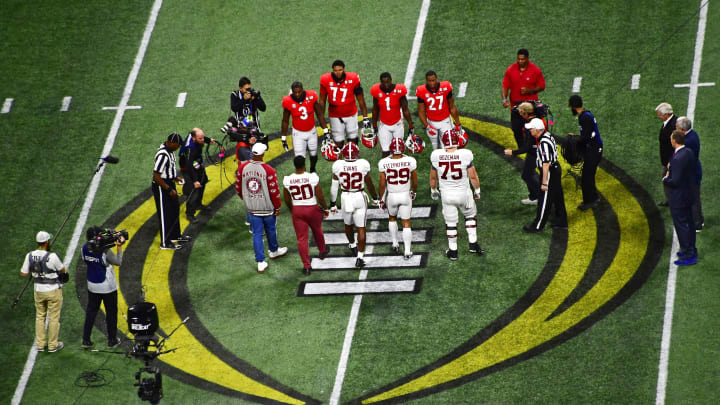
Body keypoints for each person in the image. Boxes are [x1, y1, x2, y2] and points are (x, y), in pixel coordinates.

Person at [429, 129, 483, 260]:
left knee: (451, 223)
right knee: (470, 217)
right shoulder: (465, 154)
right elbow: (473, 176)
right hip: (464, 193)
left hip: (447, 195)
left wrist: (433, 190)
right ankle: (473, 244)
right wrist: (477, 190)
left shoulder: (436, 155)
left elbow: (433, 177)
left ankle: (453, 251)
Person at [236, 143, 288, 273]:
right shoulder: (268, 170)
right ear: (263, 154)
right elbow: (274, 191)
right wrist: (277, 206)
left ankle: (260, 262)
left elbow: (238, 187)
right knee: (271, 229)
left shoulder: (242, 168)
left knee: (257, 234)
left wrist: (246, 199)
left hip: (252, 207)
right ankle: (274, 251)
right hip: (267, 207)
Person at [330, 142, 379, 268]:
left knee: (348, 224)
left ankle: (352, 244)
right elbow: (369, 183)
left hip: (346, 197)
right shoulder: (362, 164)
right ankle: (360, 257)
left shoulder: (338, 165)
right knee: (361, 227)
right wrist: (375, 198)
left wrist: (333, 204)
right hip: (359, 196)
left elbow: (334, 187)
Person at [282, 156, 331, 275]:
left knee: (302, 239)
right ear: (305, 164)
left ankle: (307, 267)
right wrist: (325, 208)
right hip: (312, 208)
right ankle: (322, 251)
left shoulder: (288, 180)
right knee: (317, 230)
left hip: (297, 210)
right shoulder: (312, 177)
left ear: (295, 165)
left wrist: (293, 210)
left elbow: (287, 199)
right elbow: (320, 196)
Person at [20, 231, 67, 352]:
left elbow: (23, 273)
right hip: (52, 291)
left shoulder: (29, 256)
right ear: (46, 242)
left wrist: (35, 269)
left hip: (38, 290)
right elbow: (62, 269)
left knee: (40, 317)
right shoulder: (52, 256)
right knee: (53, 318)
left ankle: (40, 345)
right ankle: (52, 345)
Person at [81, 226, 124, 349]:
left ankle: (86, 340)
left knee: (91, 312)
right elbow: (118, 261)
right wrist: (119, 246)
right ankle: (112, 341)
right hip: (107, 287)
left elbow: (87, 261)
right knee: (111, 313)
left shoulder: (84, 248)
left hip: (92, 285)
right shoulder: (105, 251)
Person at [522, 118, 567, 233]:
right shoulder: (548, 135)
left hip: (550, 171)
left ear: (537, 130)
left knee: (544, 200)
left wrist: (544, 183)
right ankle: (562, 222)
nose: (530, 131)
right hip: (556, 168)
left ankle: (537, 227)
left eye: (531, 129)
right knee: (558, 197)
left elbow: (546, 164)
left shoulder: (543, 143)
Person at [378, 138, 418, 259]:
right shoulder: (410, 160)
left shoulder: (383, 162)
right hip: (405, 194)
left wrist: (381, 199)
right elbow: (415, 181)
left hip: (392, 195)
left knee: (392, 218)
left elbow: (382, 184)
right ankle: (407, 251)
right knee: (406, 223)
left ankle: (395, 243)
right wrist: (413, 191)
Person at [663, 130, 698, 265]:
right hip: (688, 195)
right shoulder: (688, 152)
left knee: (682, 226)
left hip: (679, 198)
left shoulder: (677, 159)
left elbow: (675, 181)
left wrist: (665, 179)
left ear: (674, 141)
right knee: (689, 224)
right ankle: (691, 250)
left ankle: (688, 254)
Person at [152, 132, 190, 250]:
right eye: (177, 145)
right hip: (161, 185)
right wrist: (168, 189)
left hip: (169, 183)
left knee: (174, 210)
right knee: (165, 214)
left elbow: (167, 170)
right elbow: (156, 176)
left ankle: (175, 236)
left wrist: (175, 178)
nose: (178, 147)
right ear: (171, 143)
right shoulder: (163, 155)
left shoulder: (171, 151)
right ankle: (165, 242)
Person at [281, 82, 330, 173]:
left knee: (314, 154)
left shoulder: (311, 96)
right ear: (292, 92)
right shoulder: (288, 101)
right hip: (298, 133)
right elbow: (285, 120)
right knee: (299, 158)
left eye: (299, 92)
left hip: (311, 131)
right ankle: (303, 173)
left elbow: (319, 113)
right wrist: (283, 138)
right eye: (295, 92)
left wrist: (326, 130)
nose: (297, 94)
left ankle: (312, 169)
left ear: (302, 90)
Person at [319, 60, 369, 149]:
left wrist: (365, 117)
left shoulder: (353, 78)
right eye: (335, 70)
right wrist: (321, 117)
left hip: (351, 114)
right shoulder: (325, 79)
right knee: (338, 145)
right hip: (335, 115)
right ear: (332, 70)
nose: (338, 72)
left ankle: (353, 160)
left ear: (344, 69)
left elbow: (360, 99)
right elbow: (322, 101)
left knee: (353, 142)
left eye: (340, 70)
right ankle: (340, 162)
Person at [502, 49, 546, 148]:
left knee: (532, 129)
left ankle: (534, 147)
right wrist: (504, 99)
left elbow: (542, 86)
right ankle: (522, 147)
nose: (520, 61)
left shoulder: (535, 70)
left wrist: (530, 91)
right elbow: (505, 86)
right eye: (519, 59)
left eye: (523, 59)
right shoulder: (511, 70)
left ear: (527, 59)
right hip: (516, 107)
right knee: (516, 129)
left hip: (530, 107)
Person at [504, 102, 546, 205]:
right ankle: (534, 196)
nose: (520, 115)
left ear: (526, 114)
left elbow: (527, 148)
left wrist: (512, 152)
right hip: (540, 149)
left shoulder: (531, 127)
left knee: (527, 175)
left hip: (536, 152)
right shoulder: (538, 120)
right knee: (529, 174)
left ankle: (542, 197)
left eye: (521, 113)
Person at [568, 95, 603, 210]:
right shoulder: (586, 114)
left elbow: (586, 136)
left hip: (593, 149)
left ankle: (590, 201)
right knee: (589, 175)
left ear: (573, 106)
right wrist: (577, 137)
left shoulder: (584, 117)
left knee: (586, 176)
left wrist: (575, 139)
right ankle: (594, 196)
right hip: (595, 148)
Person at [370, 72, 415, 158]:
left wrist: (410, 125)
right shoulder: (376, 90)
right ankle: (386, 170)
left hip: (397, 124)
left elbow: (405, 109)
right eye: (384, 82)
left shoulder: (399, 90)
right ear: (380, 82)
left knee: (398, 151)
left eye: (388, 82)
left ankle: (399, 170)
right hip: (384, 125)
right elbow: (375, 109)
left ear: (391, 80)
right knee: (385, 151)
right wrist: (374, 125)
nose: (386, 84)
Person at [416, 70, 463, 150]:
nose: (432, 83)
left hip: (445, 121)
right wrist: (427, 126)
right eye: (429, 81)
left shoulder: (446, 87)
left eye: (433, 80)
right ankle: (437, 162)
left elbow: (452, 106)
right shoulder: (421, 90)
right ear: (426, 81)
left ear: (436, 79)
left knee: (449, 146)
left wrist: (457, 123)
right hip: (431, 122)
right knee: (436, 148)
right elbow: (421, 111)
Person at [180, 128, 217, 223]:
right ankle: (190, 214)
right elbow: (189, 165)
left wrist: (209, 140)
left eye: (203, 138)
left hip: (196, 163)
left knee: (203, 181)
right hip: (188, 168)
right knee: (194, 190)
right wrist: (195, 181)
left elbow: (199, 134)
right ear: (194, 139)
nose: (202, 140)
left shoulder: (193, 135)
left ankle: (198, 204)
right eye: (200, 139)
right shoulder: (190, 149)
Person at [675, 116, 704, 232]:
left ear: (682, 129)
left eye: (677, 127)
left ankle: (697, 224)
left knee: (693, 199)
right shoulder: (692, 135)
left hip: (691, 174)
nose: (675, 128)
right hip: (694, 171)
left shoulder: (687, 142)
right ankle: (699, 220)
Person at [231, 77, 266, 162]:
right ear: (240, 88)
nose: (248, 91)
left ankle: (257, 167)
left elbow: (263, 108)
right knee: (242, 149)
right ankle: (242, 168)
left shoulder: (253, 94)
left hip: (254, 126)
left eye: (249, 88)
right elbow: (234, 108)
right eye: (246, 89)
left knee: (256, 149)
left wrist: (257, 98)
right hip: (242, 128)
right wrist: (243, 100)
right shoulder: (235, 95)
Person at [655, 103, 677, 206]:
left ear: (666, 114)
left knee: (669, 180)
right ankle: (671, 200)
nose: (658, 116)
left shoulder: (673, 126)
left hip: (670, 161)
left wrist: (670, 162)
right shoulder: (669, 122)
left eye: (659, 114)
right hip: (667, 160)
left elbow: (675, 146)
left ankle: (674, 201)